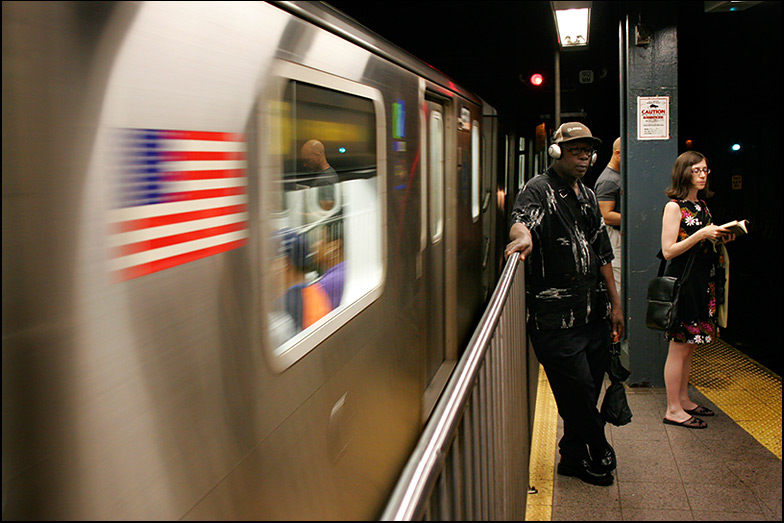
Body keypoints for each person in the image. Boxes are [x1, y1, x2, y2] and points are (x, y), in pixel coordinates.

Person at [505, 122, 624, 487]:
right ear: (556, 152)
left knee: (589, 386)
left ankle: (572, 456)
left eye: (588, 151)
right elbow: (520, 223)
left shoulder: (587, 195)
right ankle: (599, 445)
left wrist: (616, 305)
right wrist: (522, 239)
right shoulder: (537, 190)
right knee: (577, 389)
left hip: (594, 313)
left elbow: (603, 253)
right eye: (575, 151)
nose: (584, 157)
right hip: (554, 318)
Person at [660, 151, 734, 429]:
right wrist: (701, 234)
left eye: (706, 170)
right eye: (697, 170)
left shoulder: (702, 206)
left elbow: (700, 244)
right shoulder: (674, 207)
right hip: (684, 282)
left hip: (703, 282)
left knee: (690, 346)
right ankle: (672, 409)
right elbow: (668, 251)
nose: (703, 175)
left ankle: (683, 400)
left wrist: (720, 237)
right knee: (679, 347)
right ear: (684, 173)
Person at [594, 137, 622, 294]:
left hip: (618, 235)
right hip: (614, 236)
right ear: (618, 154)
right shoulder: (609, 180)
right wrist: (633, 219)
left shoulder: (616, 177)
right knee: (617, 283)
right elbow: (605, 215)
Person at [300, 139, 339, 211]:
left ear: (318, 156)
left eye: (307, 160)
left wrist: (302, 214)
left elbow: (326, 208)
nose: (304, 164)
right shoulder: (326, 174)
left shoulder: (326, 179)